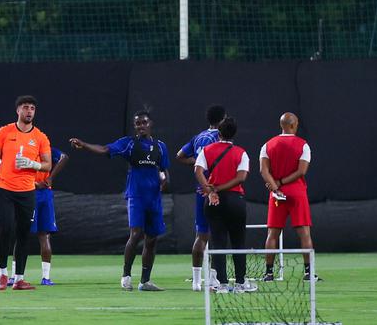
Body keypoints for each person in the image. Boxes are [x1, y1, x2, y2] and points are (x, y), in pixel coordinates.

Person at [69, 111, 170, 292]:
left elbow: (164, 171)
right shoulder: (129, 144)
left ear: (150, 124)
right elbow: (105, 149)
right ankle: (126, 276)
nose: (140, 126)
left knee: (152, 239)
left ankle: (145, 281)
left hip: (154, 198)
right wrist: (84, 145)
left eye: (144, 123)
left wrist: (164, 182)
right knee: (136, 234)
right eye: (137, 124)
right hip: (136, 196)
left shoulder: (160, 146)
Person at [0, 95, 52, 291]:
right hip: (4, 188)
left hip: (27, 191)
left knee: (24, 233)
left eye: (32, 108)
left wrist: (33, 164)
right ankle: (2, 275)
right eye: (25, 107)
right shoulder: (4, 132)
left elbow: (48, 164)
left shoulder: (40, 137)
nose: (29, 111)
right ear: (18, 111)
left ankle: (19, 278)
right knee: (5, 230)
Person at [194, 116, 257, 293]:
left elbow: (198, 170)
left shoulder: (207, 150)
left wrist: (210, 190)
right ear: (234, 133)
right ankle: (240, 283)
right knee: (238, 242)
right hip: (235, 200)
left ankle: (221, 284)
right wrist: (219, 188)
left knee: (218, 242)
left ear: (218, 133)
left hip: (213, 201)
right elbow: (241, 177)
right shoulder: (241, 152)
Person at [259, 112, 317, 282]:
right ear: (293, 125)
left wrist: (275, 186)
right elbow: (301, 171)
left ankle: (268, 273)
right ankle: (308, 273)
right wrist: (282, 181)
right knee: (304, 233)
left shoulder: (268, 145)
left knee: (272, 233)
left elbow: (264, 171)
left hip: (277, 195)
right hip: (297, 192)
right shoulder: (303, 145)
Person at [176, 104, 226, 291]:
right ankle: (213, 278)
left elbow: (180, 156)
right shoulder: (220, 138)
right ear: (222, 120)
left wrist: (196, 163)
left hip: (200, 190)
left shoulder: (199, 137)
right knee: (217, 235)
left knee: (201, 235)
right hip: (215, 190)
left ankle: (197, 281)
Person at [30, 145, 69, 285]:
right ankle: (45, 278)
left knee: (28, 235)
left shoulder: (41, 148)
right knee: (41, 235)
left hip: (34, 192)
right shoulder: (44, 148)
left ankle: (17, 276)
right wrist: (50, 179)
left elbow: (64, 157)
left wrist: (50, 179)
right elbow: (64, 157)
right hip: (36, 193)